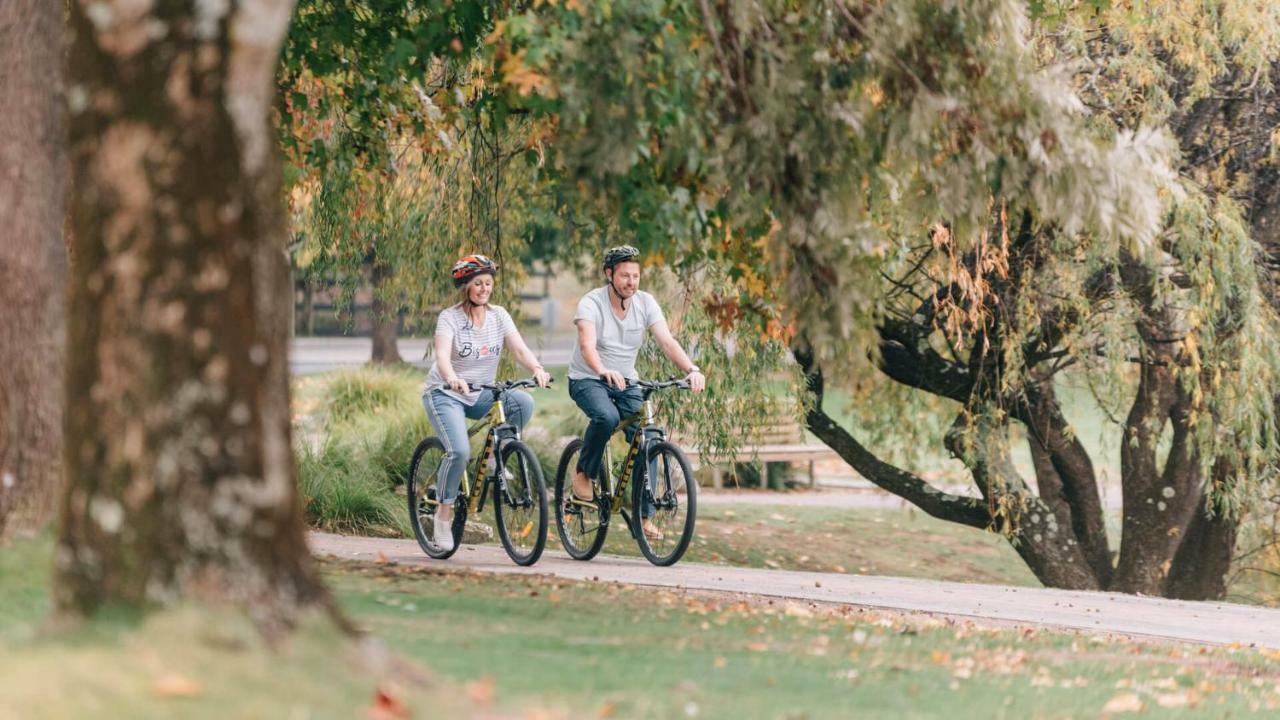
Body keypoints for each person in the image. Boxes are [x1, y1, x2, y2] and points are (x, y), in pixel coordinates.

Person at [568, 245, 706, 540]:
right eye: (624, 276)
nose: (631, 282)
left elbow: (667, 341)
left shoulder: (645, 302)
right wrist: (603, 369)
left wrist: (691, 369)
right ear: (609, 275)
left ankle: (644, 517)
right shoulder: (591, 303)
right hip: (588, 378)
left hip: (628, 381)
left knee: (650, 438)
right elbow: (586, 346)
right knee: (605, 418)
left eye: (635, 276)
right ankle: (583, 473)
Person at [423, 254, 551, 552]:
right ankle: (443, 516)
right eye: (478, 283)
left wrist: (536, 369)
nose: (484, 289)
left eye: (488, 283)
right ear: (465, 286)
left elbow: (518, 349)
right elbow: (442, 355)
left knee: (522, 402)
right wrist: (452, 377)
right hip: (446, 393)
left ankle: (495, 457)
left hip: (481, 392)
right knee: (459, 451)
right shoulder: (449, 317)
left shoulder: (499, 315)